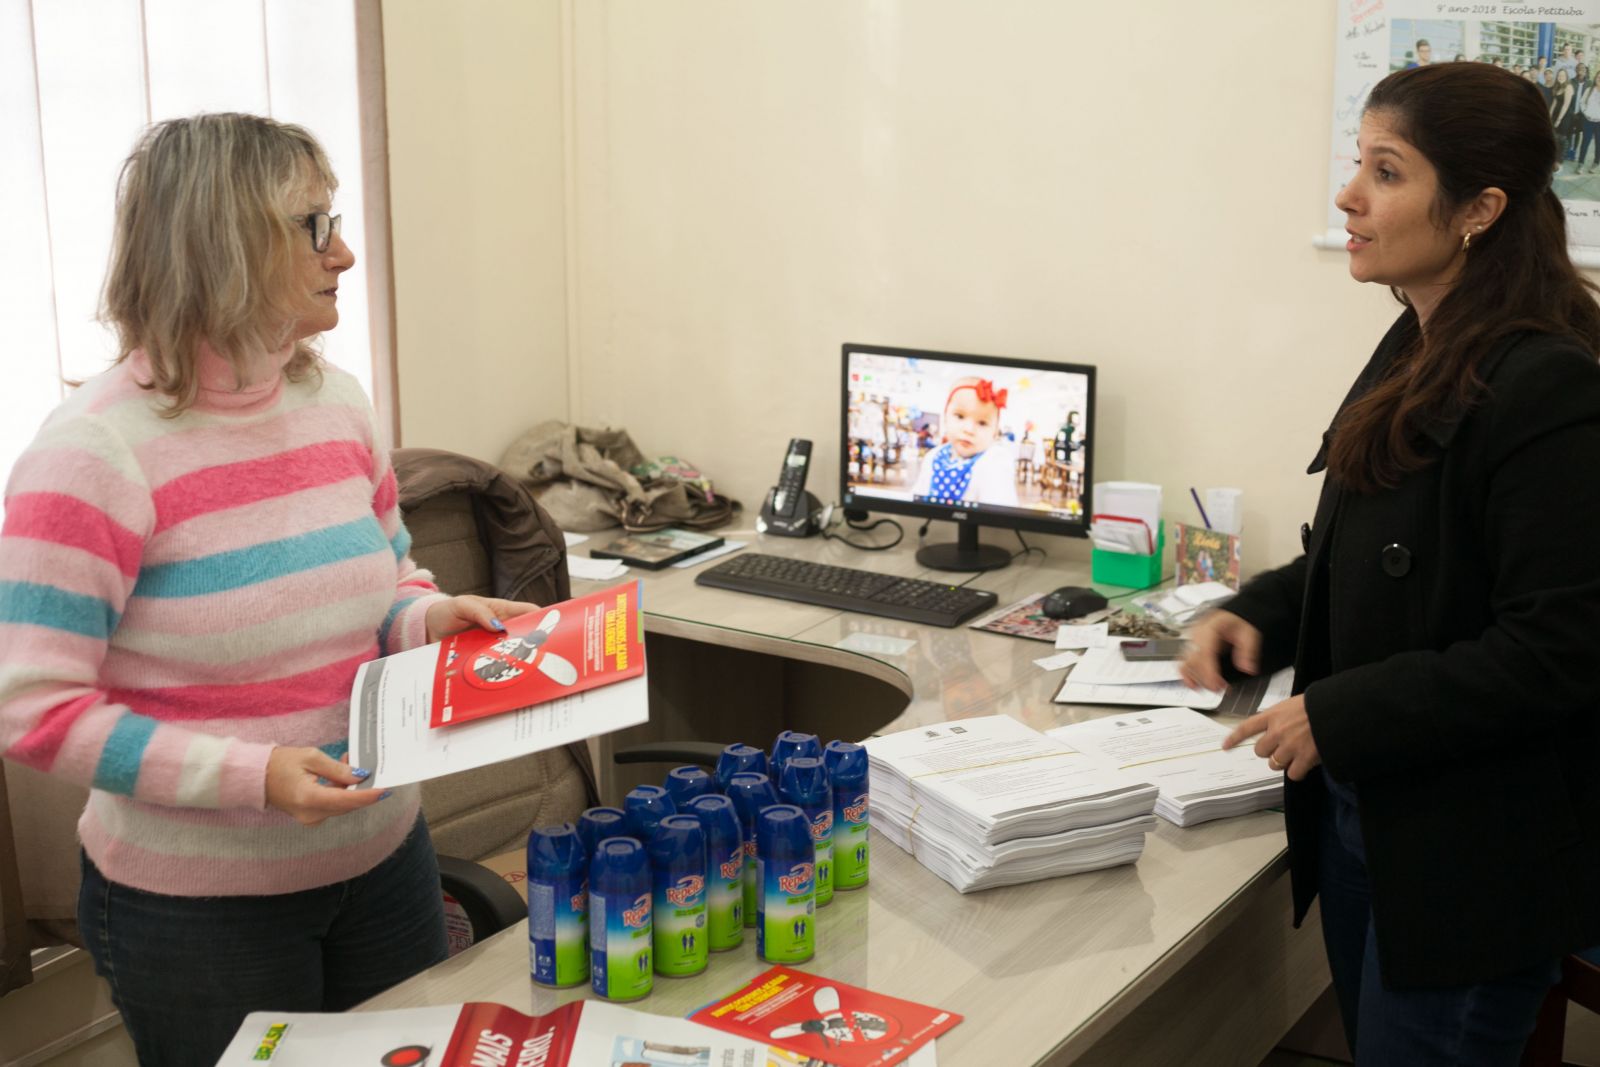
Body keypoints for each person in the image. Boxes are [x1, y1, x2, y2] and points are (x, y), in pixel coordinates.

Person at [0, 114, 538, 1067]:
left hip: (382, 865)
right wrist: (253, 777)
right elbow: (32, 709)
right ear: (223, 240)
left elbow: (388, 575)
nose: (345, 250)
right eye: (313, 223)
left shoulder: (336, 401)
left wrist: (430, 616)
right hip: (197, 915)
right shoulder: (92, 452)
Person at [1181, 63, 1600, 1064]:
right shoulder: (1417, 341)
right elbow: (1356, 552)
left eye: (1385, 171)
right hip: (1372, 808)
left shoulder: (1550, 386)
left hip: (1469, 854)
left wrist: (1340, 710)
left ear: (1478, 210)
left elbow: (1559, 649)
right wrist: (1263, 613)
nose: (1347, 196)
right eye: (1355, 163)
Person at [911, 376, 1018, 506]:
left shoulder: (995, 461)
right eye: (960, 416)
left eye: (982, 423)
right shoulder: (933, 456)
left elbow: (1000, 512)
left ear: (995, 432)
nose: (969, 430)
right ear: (945, 418)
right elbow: (916, 495)